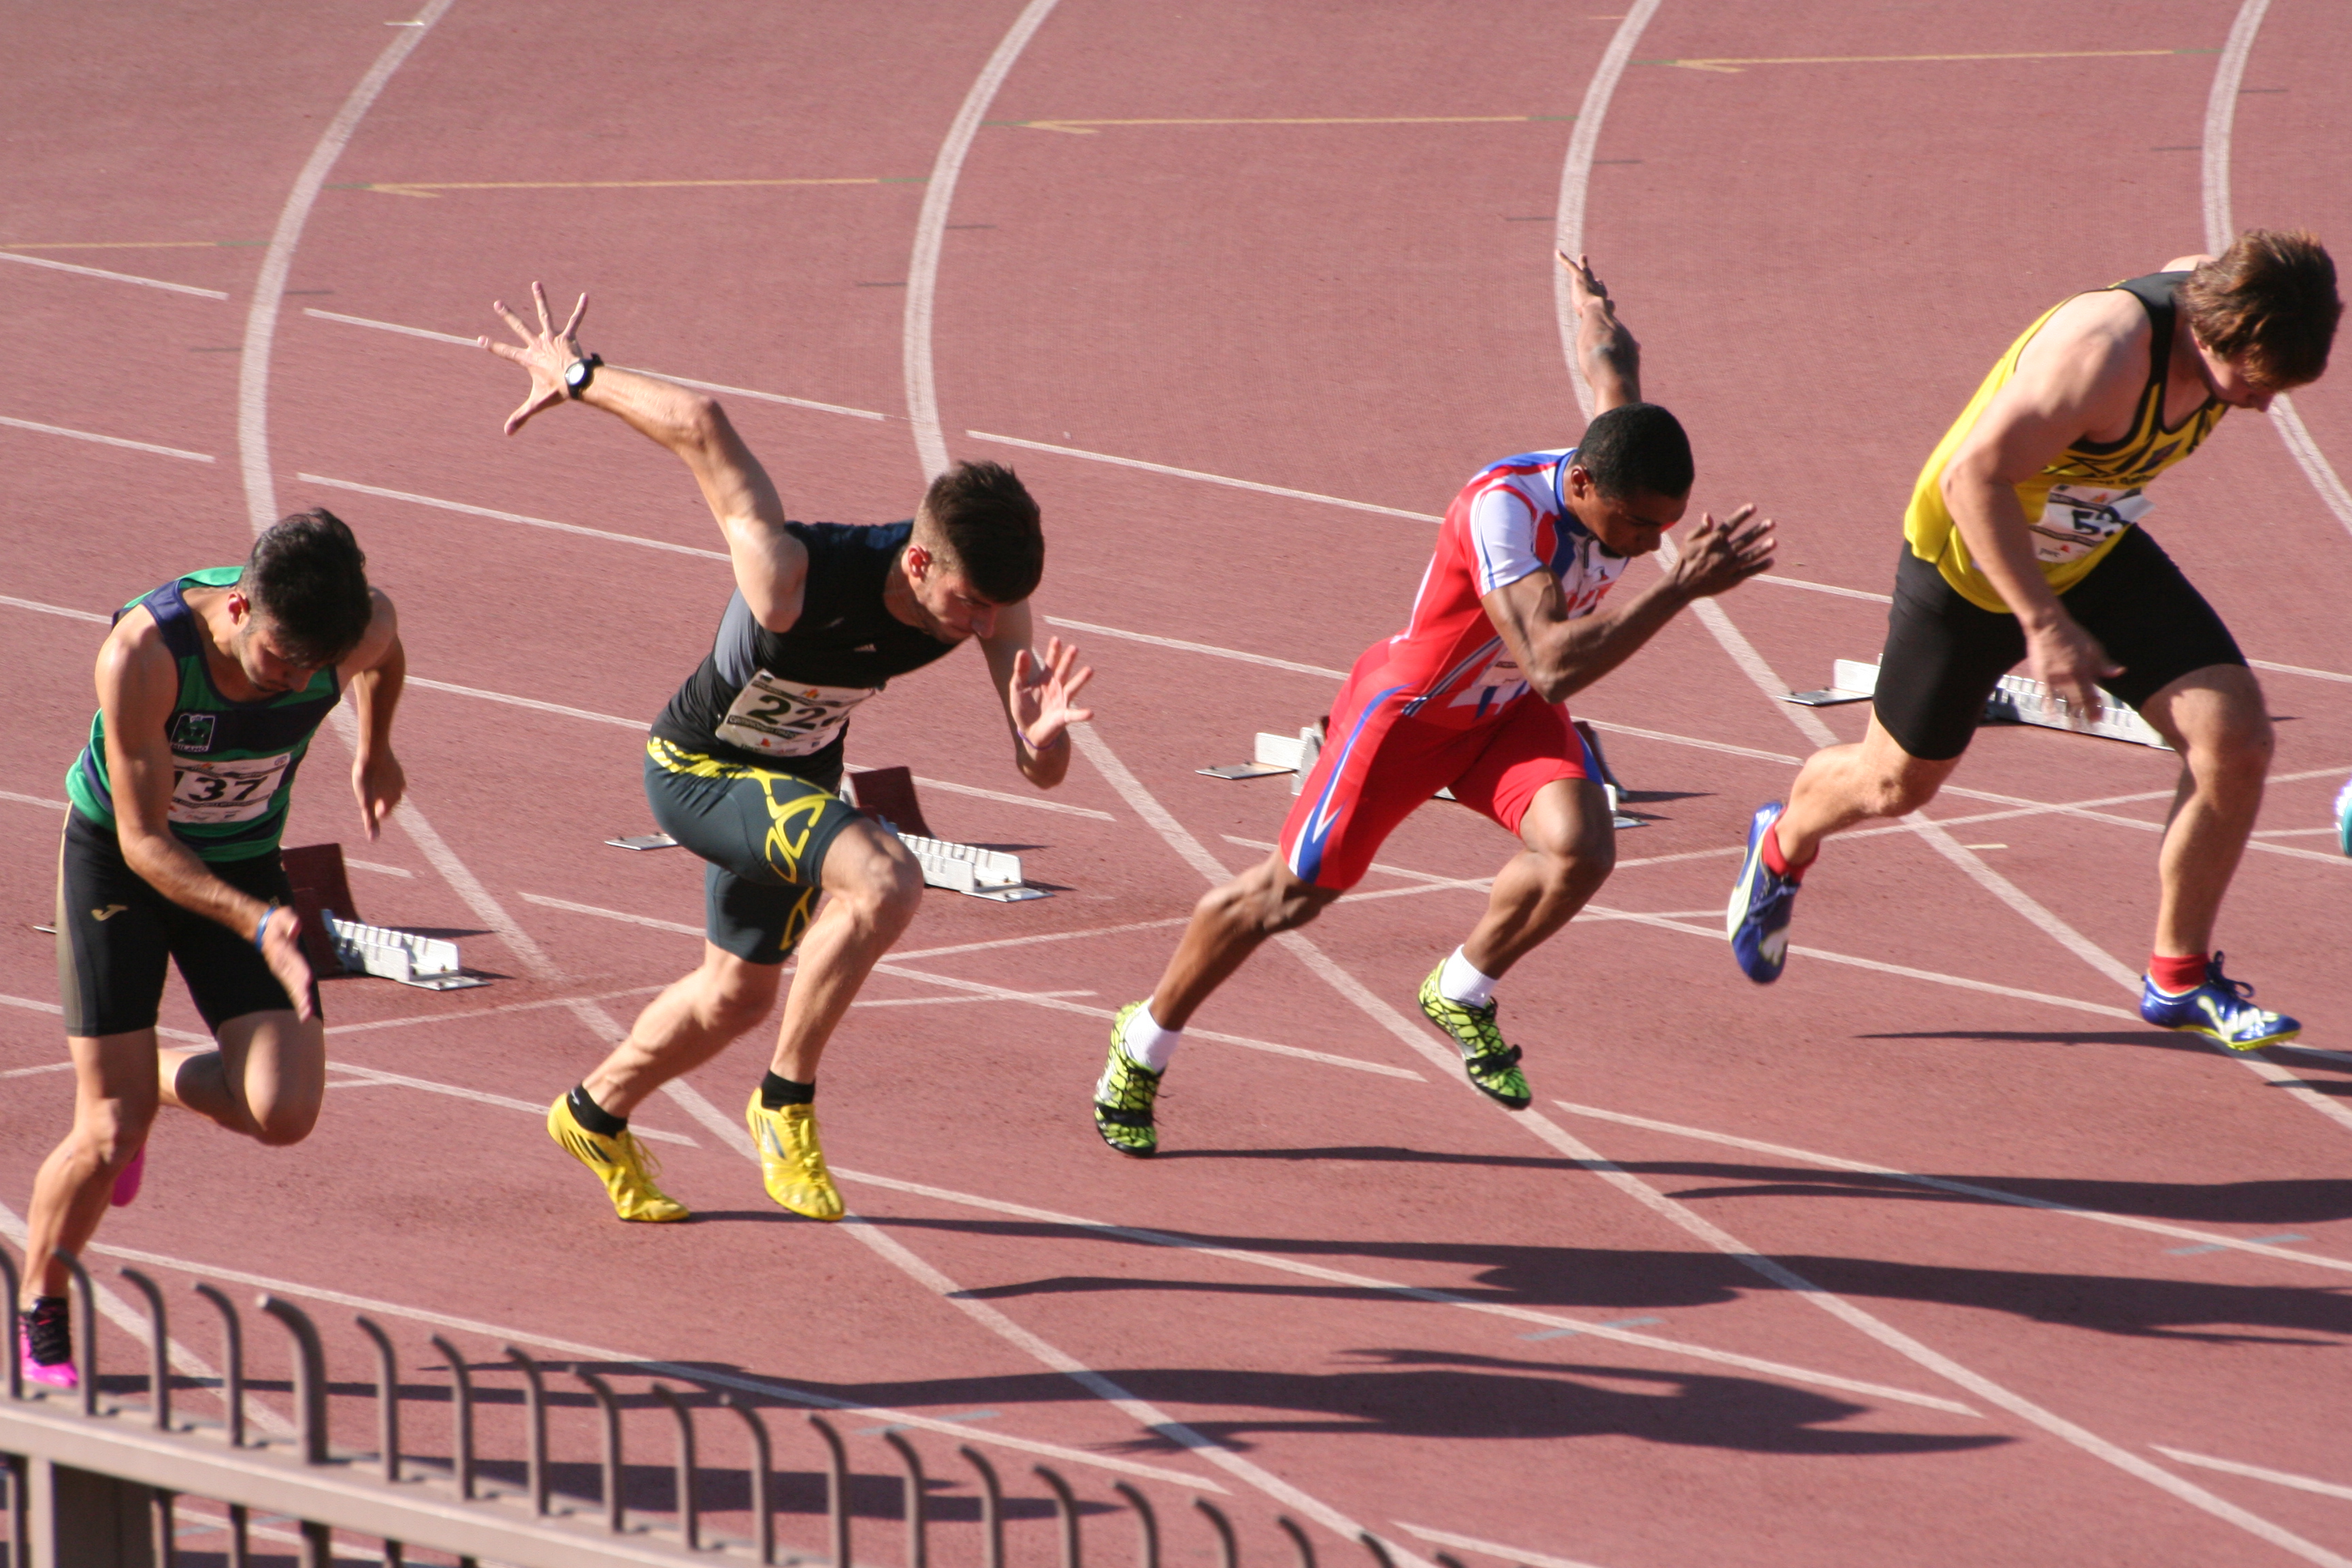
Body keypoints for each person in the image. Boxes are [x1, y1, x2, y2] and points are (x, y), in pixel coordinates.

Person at [1091, 256, 1776, 1155]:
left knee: (1582, 851)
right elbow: (1554, 666)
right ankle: (1142, 1041)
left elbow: (1613, 362)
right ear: (1581, 488)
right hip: (1411, 715)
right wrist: (1677, 590)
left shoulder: (1614, 454)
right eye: (1639, 529)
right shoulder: (1503, 509)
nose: (1655, 543)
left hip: (1499, 719)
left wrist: (1594, 307)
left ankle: (1462, 988)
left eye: (1666, 528)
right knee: (1290, 896)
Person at [480, 285, 1094, 1224]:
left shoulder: (995, 603)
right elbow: (702, 425)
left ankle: (593, 1112)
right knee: (887, 879)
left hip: (795, 780)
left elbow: (1035, 768)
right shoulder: (792, 576)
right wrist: (575, 375)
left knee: (735, 997)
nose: (982, 626)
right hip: (699, 773)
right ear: (922, 563)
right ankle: (785, 1105)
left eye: (996, 610)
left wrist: (1042, 744)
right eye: (969, 605)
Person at [1729, 231, 2341, 1049]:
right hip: (1972, 566)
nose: (2264, 406)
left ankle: (2179, 977)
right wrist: (2042, 623)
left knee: (2234, 738)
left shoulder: (2223, 290)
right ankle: (1782, 840)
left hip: (2091, 546)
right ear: (2212, 334)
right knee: (1895, 786)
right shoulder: (2102, 356)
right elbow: (1970, 478)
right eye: (2253, 386)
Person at [20, 510, 404, 1389]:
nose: (295, 682)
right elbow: (147, 840)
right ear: (239, 610)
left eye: (314, 669)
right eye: (280, 661)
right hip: (122, 864)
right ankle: (42, 1306)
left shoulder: (352, 628)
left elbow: (386, 652)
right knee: (106, 1130)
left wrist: (376, 750)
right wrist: (259, 922)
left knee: (285, 1111)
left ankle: (146, 1071)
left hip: (241, 862)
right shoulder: (144, 655)